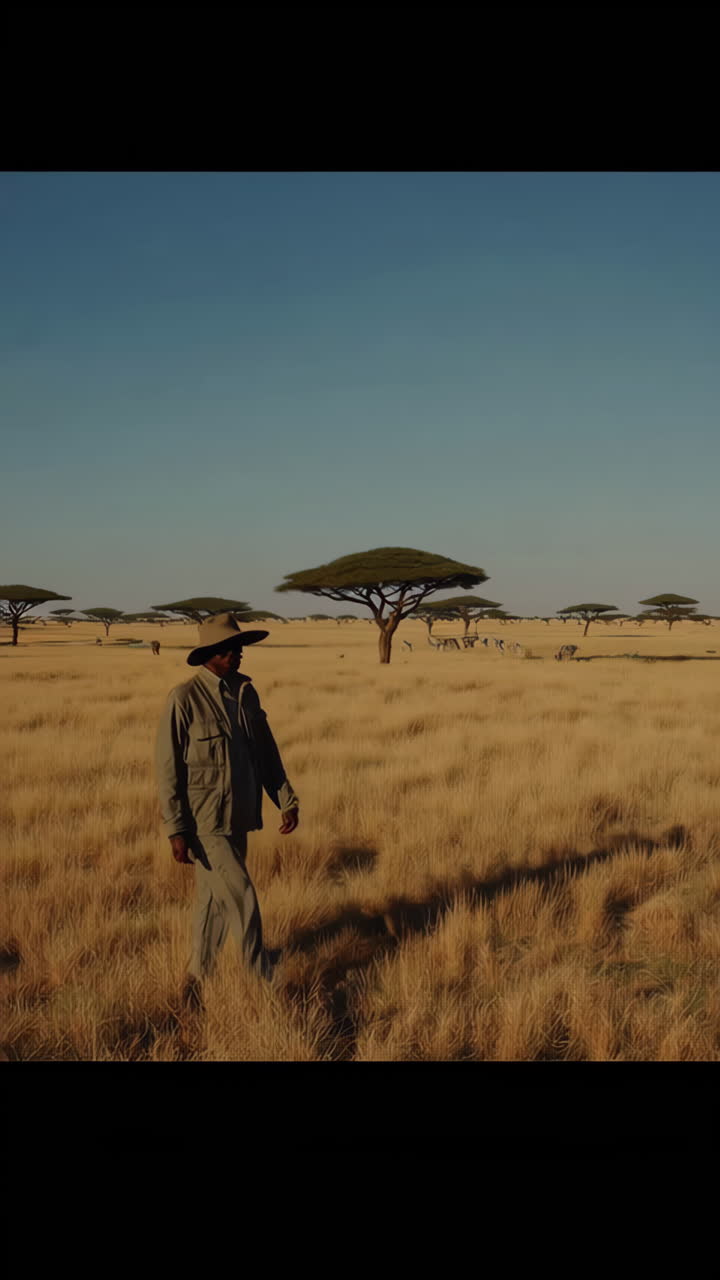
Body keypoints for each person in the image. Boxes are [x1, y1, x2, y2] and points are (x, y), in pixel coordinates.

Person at [155, 612, 299, 1008]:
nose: (238, 653)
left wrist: (284, 798)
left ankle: (196, 982)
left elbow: (266, 752)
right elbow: (168, 769)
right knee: (242, 897)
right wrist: (175, 828)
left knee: (213, 902)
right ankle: (261, 980)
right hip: (205, 824)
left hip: (239, 816)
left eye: (239, 647)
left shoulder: (246, 694)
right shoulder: (183, 699)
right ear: (209, 654)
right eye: (229, 648)